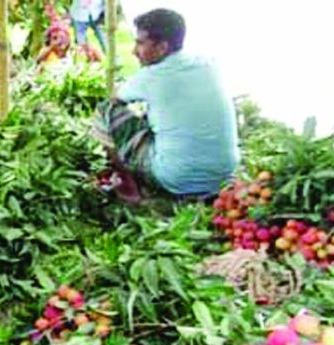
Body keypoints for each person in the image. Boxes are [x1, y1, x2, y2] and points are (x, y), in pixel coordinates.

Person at [93, 8, 240, 201]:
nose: (134, 51)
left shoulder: (151, 77)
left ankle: (127, 183)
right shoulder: (207, 64)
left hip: (175, 180)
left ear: (162, 47)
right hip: (222, 177)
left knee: (106, 111)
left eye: (140, 43)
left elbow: (115, 100)